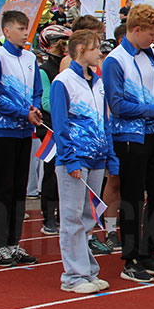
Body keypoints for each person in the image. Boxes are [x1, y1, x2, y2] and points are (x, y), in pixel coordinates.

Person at [103, 5, 154, 282]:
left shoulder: (151, 54)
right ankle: (130, 258)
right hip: (128, 137)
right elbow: (116, 104)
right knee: (132, 199)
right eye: (151, 33)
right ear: (135, 30)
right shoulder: (114, 61)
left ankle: (149, 252)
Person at [51, 30, 116, 294]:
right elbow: (60, 124)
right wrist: (69, 158)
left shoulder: (98, 82)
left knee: (89, 216)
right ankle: (73, 276)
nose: (99, 52)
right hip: (75, 158)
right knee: (72, 216)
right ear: (79, 50)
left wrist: (110, 155)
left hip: (97, 156)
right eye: (95, 48)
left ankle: (87, 270)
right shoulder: (62, 82)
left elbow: (104, 121)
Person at [0, 11, 43, 267]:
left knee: (20, 190)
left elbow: (38, 92)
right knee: (3, 189)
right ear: (7, 31)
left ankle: (14, 243)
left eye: (26, 28)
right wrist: (22, 112)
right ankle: (0, 246)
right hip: (4, 132)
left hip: (24, 132)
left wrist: (35, 109)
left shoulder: (31, 58)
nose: (24, 33)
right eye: (20, 28)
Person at [36, 25, 72, 236]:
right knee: (51, 173)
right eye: (62, 44)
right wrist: (71, 105)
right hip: (51, 128)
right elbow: (46, 102)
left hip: (68, 126)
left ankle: (63, 214)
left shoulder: (74, 66)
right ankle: (48, 216)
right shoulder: (45, 70)